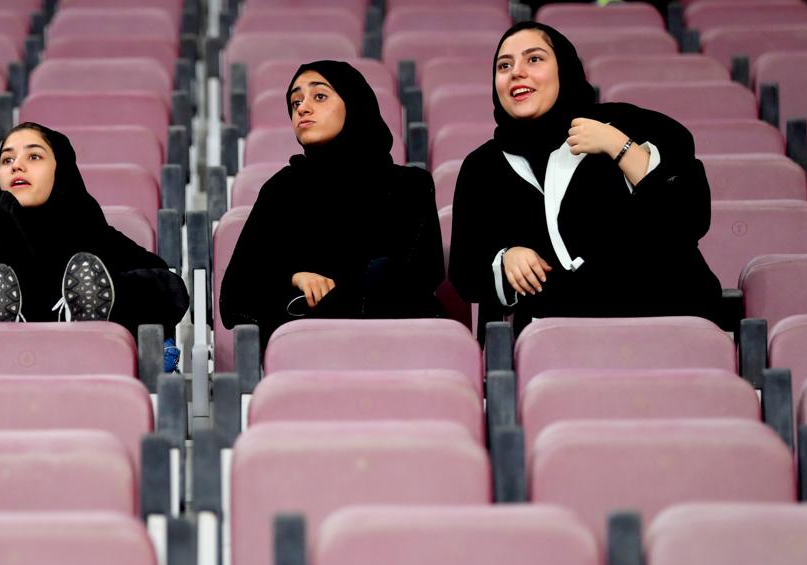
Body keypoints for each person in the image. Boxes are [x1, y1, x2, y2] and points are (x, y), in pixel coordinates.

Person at [447, 21, 722, 325]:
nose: (516, 72)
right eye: (504, 65)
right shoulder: (483, 166)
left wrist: (621, 147)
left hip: (667, 322)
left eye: (534, 59)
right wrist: (505, 259)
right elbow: (465, 272)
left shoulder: (634, 125)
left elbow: (691, 215)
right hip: (555, 342)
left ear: (564, 68)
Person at [218, 60, 444, 347]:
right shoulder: (281, 190)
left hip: (399, 347)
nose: (302, 108)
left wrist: (327, 299)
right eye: (295, 101)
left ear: (355, 103)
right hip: (309, 354)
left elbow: (419, 276)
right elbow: (235, 300)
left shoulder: (410, 186)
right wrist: (294, 278)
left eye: (319, 96)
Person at [0, 122, 189, 346]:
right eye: (7, 160)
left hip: (79, 356)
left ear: (61, 170)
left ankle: (84, 320)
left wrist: (108, 292)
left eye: (34, 156)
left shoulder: (84, 222)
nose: (16, 165)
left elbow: (169, 286)